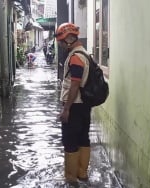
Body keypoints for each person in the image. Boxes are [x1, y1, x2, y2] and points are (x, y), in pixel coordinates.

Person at [55, 23, 91, 185]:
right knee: (83, 138)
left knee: (70, 140)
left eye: (62, 42)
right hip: (84, 105)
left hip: (74, 106)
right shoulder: (85, 54)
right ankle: (82, 174)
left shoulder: (76, 57)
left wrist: (66, 109)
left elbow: (75, 84)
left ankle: (71, 178)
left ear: (69, 39)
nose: (61, 45)